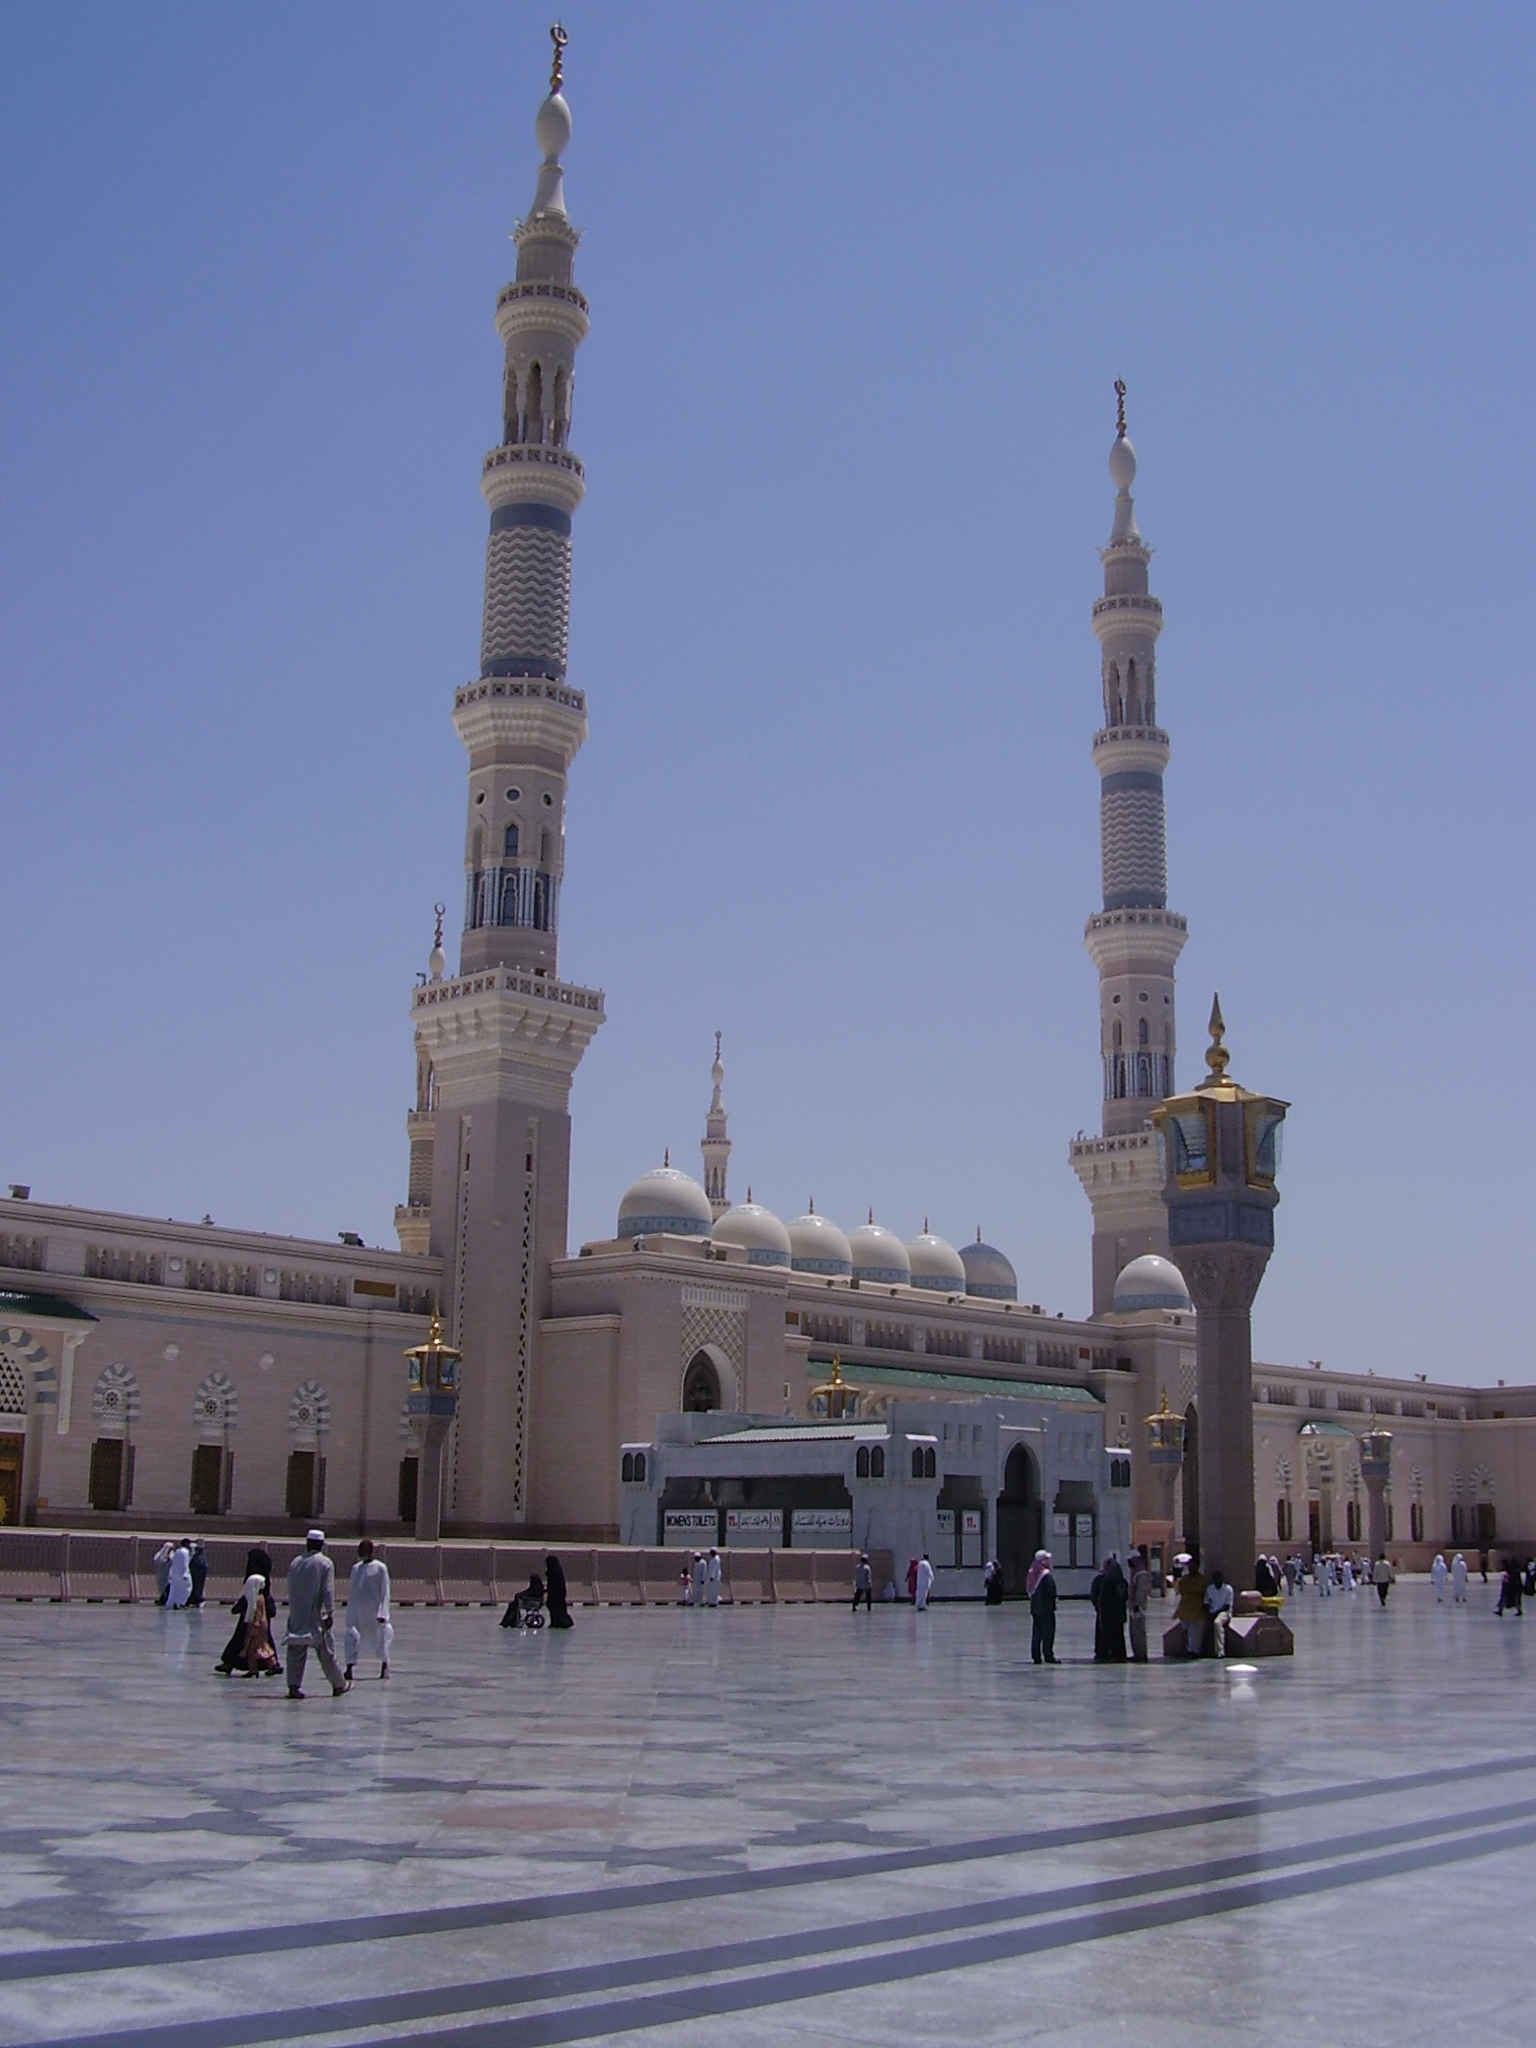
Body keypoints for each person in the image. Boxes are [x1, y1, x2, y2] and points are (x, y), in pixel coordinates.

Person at [284, 1530, 349, 1698]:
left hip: (297, 1613)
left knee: (296, 1651)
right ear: (322, 1545)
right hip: (316, 1616)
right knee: (326, 1652)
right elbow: (327, 1590)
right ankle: (338, 1684)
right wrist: (329, 1612)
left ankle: (293, 1686)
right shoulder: (325, 1563)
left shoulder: (295, 1562)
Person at [216, 1546, 278, 1676]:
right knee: (259, 1641)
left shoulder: (254, 1578)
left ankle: (231, 1663)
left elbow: (250, 1596)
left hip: (252, 1615)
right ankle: (266, 1665)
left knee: (246, 1640)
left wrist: (239, 1607)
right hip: (257, 1614)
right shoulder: (263, 1579)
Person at [344, 1539, 393, 1679]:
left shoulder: (380, 1568)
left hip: (374, 1612)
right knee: (351, 1636)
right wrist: (350, 1612)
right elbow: (353, 1592)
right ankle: (349, 1667)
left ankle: (384, 1665)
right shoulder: (356, 1568)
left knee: (381, 1638)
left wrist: (383, 1613)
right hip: (357, 1612)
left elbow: (385, 1592)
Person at [1091, 1555, 1128, 1661]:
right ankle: (1117, 1654)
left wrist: (1099, 1607)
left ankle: (1104, 1653)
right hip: (1116, 1614)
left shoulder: (1103, 1581)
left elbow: (1095, 1596)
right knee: (1117, 1634)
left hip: (1106, 1614)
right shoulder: (1121, 1581)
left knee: (1105, 1634)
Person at [1174, 1552, 1209, 1656]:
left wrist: (1193, 1591)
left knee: (1196, 1633)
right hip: (1185, 1610)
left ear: (1197, 1567)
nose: (1191, 1568)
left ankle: (1195, 1652)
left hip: (1197, 1610)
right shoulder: (1184, 1579)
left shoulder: (1202, 1579)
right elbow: (1181, 1590)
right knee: (1185, 1632)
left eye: (1193, 1566)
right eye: (1189, 1566)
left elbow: (1201, 1590)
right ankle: (1187, 1650)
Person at [1028, 1551, 1057, 1663]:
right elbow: (1051, 1591)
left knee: (1037, 1633)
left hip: (1035, 1608)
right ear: (1042, 1560)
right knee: (1048, 1633)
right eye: (1047, 1559)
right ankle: (1048, 1655)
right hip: (1046, 1608)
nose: (1049, 1561)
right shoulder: (1045, 1575)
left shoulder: (1032, 1572)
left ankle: (1036, 1656)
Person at [1127, 1549, 1151, 1662]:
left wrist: (1137, 1606)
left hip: (1138, 1609)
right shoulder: (1135, 1573)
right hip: (1134, 1608)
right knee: (1134, 1633)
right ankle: (1137, 1653)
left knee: (1139, 1633)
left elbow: (1141, 1592)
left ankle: (1141, 1655)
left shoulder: (1142, 1574)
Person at [1204, 1569, 1234, 1656]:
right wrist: (1208, 1613)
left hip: (1224, 1613)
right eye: (1215, 1578)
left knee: (1217, 1623)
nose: (1217, 1580)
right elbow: (1206, 1603)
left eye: (1219, 1578)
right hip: (1212, 1612)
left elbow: (1227, 1606)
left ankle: (1220, 1651)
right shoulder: (1210, 1589)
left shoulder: (1228, 1589)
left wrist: (1215, 1613)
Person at [545, 1552, 573, 1628]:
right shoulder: (557, 1570)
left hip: (555, 1593)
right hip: (559, 1593)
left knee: (554, 1607)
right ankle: (559, 1621)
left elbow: (553, 1584)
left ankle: (558, 1622)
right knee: (559, 1608)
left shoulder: (552, 1571)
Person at [167, 1539, 193, 1610]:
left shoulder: (177, 1551)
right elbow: (185, 1563)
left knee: (174, 1591)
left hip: (174, 1575)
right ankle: (180, 1604)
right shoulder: (185, 1552)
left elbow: (171, 1559)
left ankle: (171, 1604)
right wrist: (185, 1574)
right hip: (183, 1575)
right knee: (188, 1589)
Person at [152, 1539, 175, 1606]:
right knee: (162, 1588)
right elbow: (158, 1560)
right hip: (161, 1574)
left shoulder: (172, 1554)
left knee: (168, 1588)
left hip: (169, 1576)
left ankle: (165, 1600)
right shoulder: (159, 1554)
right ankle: (162, 1599)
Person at [189, 1541, 208, 1608]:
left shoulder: (200, 1557)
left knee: (198, 1588)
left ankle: (198, 1600)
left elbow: (203, 1566)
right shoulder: (194, 1556)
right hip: (194, 1575)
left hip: (198, 1576)